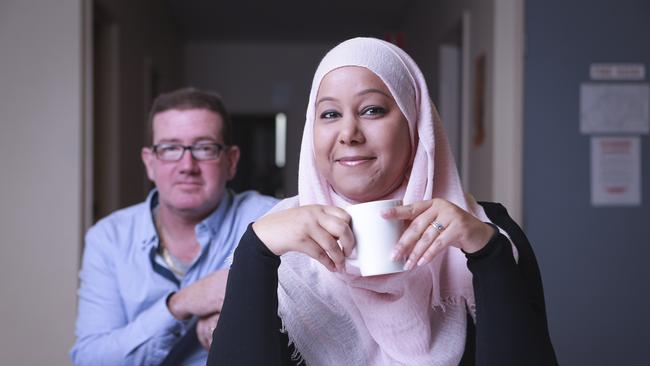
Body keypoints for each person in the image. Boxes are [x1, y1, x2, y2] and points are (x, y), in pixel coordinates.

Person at [207, 38, 558, 365]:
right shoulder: (277, 242)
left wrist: (485, 251)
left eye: (372, 110)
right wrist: (256, 250)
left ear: (414, 124)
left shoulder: (484, 231)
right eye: (329, 114)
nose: (349, 134)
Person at [70, 87, 278, 365]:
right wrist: (181, 304)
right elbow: (91, 359)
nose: (187, 165)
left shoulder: (271, 219)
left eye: (204, 148)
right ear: (150, 163)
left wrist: (236, 320)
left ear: (231, 161)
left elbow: (316, 320)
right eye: (170, 149)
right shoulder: (109, 238)